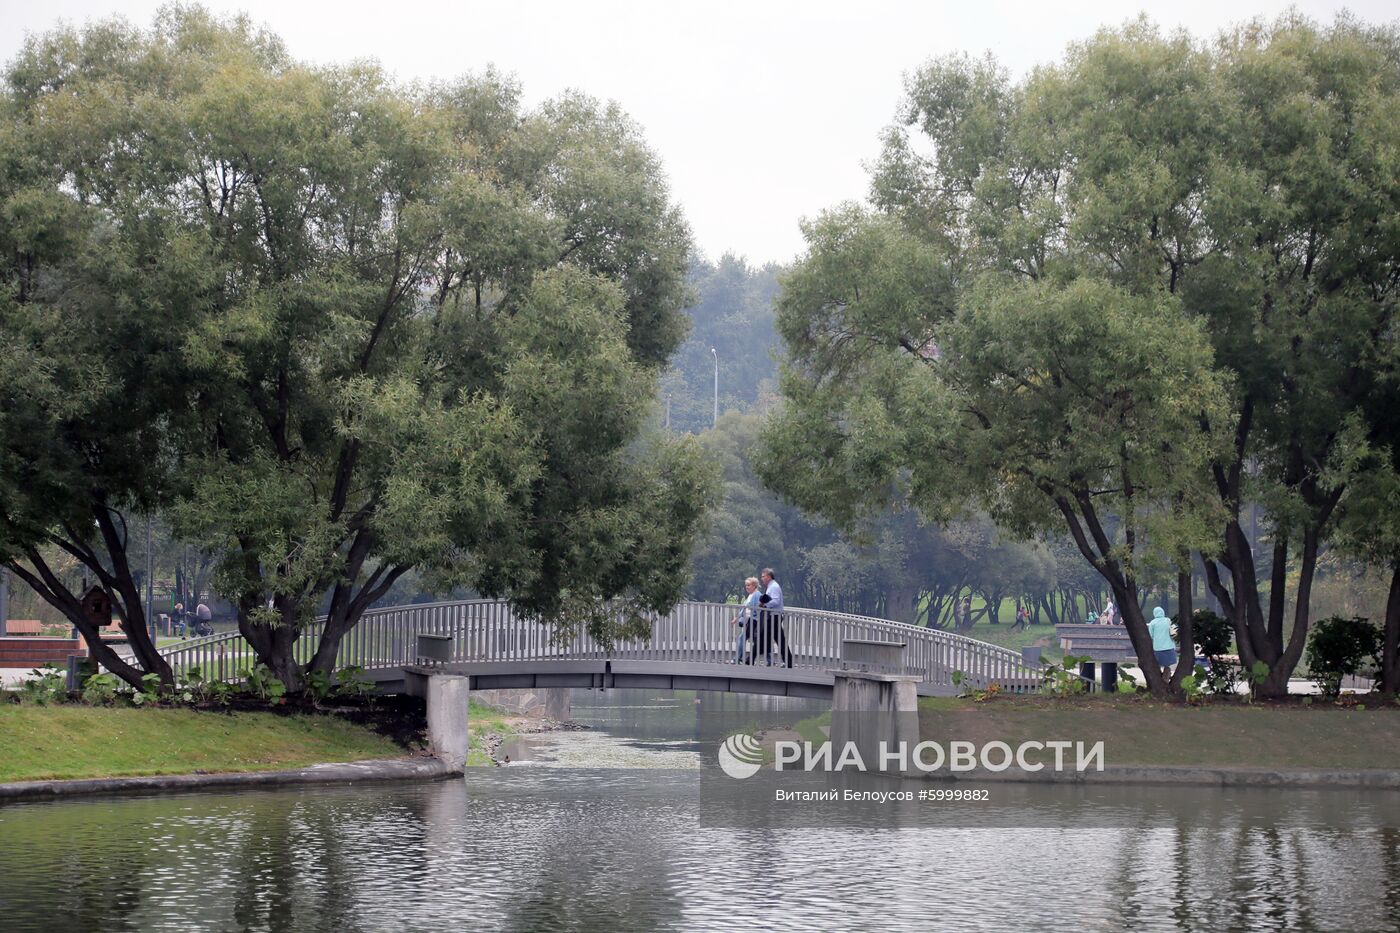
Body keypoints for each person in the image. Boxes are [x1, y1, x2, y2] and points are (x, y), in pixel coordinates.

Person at [755, 568, 793, 668]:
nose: (761, 578)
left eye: (763, 576)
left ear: (768, 576)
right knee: (779, 640)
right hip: (773, 616)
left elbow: (775, 601)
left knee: (764, 637)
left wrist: (764, 605)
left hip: (774, 617)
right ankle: (788, 662)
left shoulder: (774, 587)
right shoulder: (771, 586)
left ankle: (752, 658)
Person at [730, 577, 761, 663]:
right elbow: (744, 609)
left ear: (754, 585)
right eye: (746, 585)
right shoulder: (750, 596)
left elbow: (756, 609)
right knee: (758, 640)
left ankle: (738, 658)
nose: (746, 587)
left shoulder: (757, 595)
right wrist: (737, 618)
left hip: (754, 621)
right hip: (750, 621)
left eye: (748, 585)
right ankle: (770, 659)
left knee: (742, 638)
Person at [1147, 606, 1176, 678]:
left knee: (1158, 663)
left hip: (1158, 647)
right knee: (1167, 664)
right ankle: (1167, 674)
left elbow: (1151, 635)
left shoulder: (1152, 623)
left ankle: (1159, 677)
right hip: (1169, 646)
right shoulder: (1168, 620)